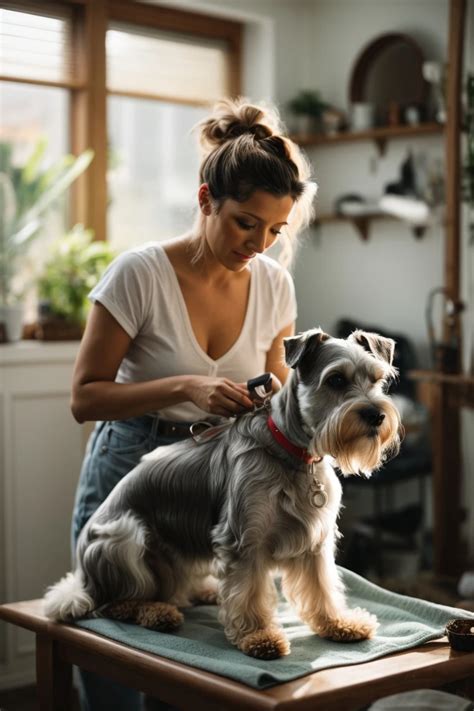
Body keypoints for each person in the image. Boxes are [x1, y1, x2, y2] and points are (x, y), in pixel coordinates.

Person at [70, 97, 317, 711]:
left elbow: (278, 387)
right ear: (206, 200)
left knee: (191, 672)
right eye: (244, 222)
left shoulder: (273, 284)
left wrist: (278, 402)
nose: (258, 243)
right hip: (129, 464)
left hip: (215, 478)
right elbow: (84, 397)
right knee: (114, 659)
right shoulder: (139, 275)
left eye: (274, 230)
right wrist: (186, 386)